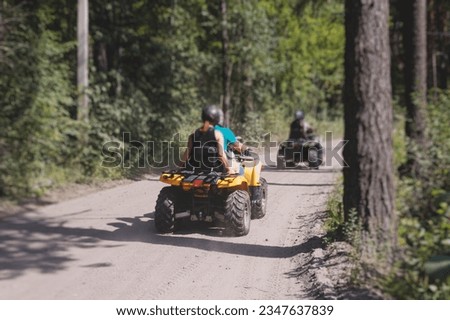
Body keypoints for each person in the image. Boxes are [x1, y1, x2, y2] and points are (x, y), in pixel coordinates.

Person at [180, 105, 234, 173]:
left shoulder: (193, 134)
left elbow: (187, 154)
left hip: (194, 169)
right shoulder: (218, 134)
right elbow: (221, 155)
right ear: (216, 118)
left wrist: (180, 167)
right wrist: (229, 169)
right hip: (214, 170)